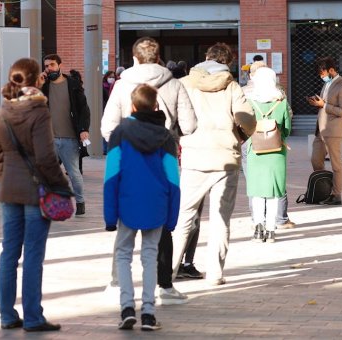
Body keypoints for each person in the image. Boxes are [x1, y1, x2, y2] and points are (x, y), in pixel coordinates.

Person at [102, 36, 196, 305]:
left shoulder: (121, 85)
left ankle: (117, 284)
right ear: (158, 58)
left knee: (125, 229)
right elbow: (189, 125)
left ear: (133, 58)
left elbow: (107, 126)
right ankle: (164, 287)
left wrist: (125, 136)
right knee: (161, 222)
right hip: (164, 151)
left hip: (128, 159)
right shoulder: (175, 83)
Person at [0, 58, 69, 332]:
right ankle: (33, 316)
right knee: (33, 254)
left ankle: (7, 315)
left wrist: (7, 177)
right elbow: (46, 158)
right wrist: (60, 186)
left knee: (9, 252)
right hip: (37, 192)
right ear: (37, 79)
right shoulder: (39, 110)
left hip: (9, 191)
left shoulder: (3, 111)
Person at [172, 42, 255, 286]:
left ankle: (169, 271)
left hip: (194, 156)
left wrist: (183, 138)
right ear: (227, 62)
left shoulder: (185, 83)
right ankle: (216, 273)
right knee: (221, 219)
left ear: (206, 57)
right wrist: (240, 138)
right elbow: (247, 120)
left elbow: (174, 117)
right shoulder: (232, 86)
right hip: (225, 157)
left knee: (184, 216)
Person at [104, 84, 180, 331]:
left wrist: (109, 214)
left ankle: (127, 307)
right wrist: (172, 217)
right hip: (157, 204)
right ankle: (148, 312)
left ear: (133, 106)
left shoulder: (121, 132)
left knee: (123, 254)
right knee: (150, 256)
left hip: (127, 203)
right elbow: (173, 180)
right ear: (155, 105)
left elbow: (111, 176)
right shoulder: (166, 137)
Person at [242, 60, 296, 230]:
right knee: (275, 189)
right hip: (276, 150)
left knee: (256, 189)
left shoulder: (249, 102)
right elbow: (287, 128)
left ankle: (258, 225)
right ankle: (272, 229)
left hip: (254, 150)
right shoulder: (281, 102)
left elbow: (243, 126)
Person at [41, 54, 90, 215]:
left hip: (69, 138)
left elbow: (84, 108)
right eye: (46, 66)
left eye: (52, 65)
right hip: (49, 139)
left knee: (74, 173)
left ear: (60, 65)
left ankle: (80, 202)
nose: (49, 69)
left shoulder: (73, 84)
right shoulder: (44, 86)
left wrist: (83, 129)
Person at [307, 56, 342, 205]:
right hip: (320, 130)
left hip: (334, 131)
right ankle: (323, 190)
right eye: (320, 74)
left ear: (332, 70)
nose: (321, 76)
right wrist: (318, 103)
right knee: (315, 159)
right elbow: (324, 105)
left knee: (336, 164)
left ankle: (336, 195)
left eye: (323, 73)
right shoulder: (327, 85)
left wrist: (323, 105)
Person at [102, 71, 116, 154]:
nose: (112, 78)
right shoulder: (103, 87)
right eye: (110, 77)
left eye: (113, 77)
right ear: (106, 77)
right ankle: (105, 148)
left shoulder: (116, 86)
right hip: (106, 110)